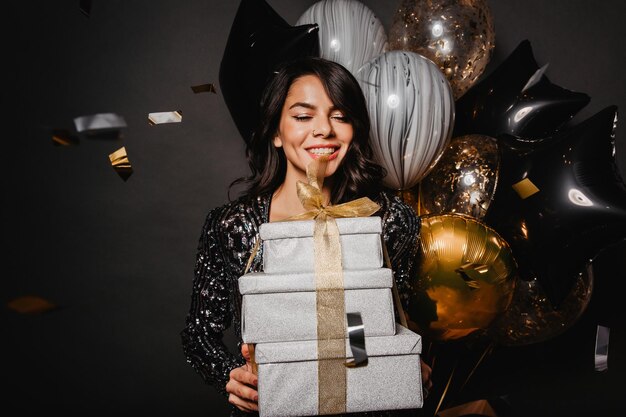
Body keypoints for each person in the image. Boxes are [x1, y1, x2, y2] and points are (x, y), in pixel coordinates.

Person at [180, 56, 432, 416]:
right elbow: (198, 335)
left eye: (340, 116)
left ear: (354, 131)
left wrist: (404, 364)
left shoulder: (388, 219)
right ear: (276, 132)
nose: (324, 130)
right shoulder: (234, 226)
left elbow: (372, 322)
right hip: (274, 404)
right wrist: (231, 377)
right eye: (303, 116)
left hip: (365, 404)